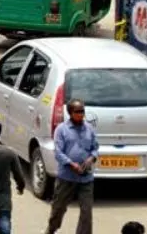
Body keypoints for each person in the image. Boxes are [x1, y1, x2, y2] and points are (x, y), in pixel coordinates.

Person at [45, 100, 98, 234]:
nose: (81, 114)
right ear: (70, 113)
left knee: (87, 211)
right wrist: (71, 164)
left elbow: (95, 147)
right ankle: (52, 229)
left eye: (82, 111)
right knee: (59, 208)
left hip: (86, 178)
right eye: (77, 112)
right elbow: (58, 152)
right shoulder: (62, 129)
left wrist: (91, 158)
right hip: (67, 178)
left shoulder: (89, 128)